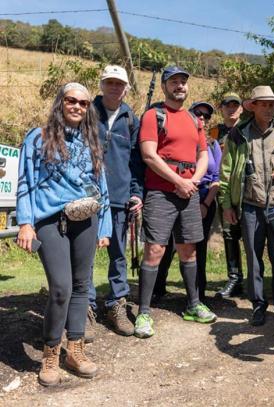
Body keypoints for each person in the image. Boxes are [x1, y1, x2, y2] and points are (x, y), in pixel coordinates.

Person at [16, 82, 112, 386]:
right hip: (49, 221)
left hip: (86, 219)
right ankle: (50, 353)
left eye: (83, 103)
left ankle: (75, 350)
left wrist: (105, 224)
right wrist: (25, 223)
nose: (77, 107)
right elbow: (25, 181)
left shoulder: (91, 140)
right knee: (61, 288)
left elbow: (102, 184)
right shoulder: (38, 137)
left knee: (82, 284)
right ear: (61, 103)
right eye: (71, 101)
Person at [135, 66, 214, 339]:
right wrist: (178, 181)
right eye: (174, 82)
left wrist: (193, 181)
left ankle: (193, 304)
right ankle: (143, 312)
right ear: (165, 87)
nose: (180, 86)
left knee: (188, 250)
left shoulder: (195, 120)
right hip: (160, 192)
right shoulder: (152, 116)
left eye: (183, 81)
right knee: (155, 250)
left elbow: (203, 155)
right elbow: (149, 155)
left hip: (189, 193)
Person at [219, 85, 274, 326]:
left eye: (272, 104)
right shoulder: (238, 135)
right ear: (254, 106)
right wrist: (227, 203)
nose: (269, 109)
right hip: (250, 207)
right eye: (264, 104)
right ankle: (258, 305)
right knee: (254, 259)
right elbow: (226, 172)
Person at [86, 65, 144, 340]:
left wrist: (137, 193)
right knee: (84, 254)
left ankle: (116, 305)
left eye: (119, 83)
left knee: (118, 254)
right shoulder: (86, 112)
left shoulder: (131, 119)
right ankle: (83, 306)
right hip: (87, 197)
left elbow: (136, 162)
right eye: (109, 82)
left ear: (125, 88)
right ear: (102, 85)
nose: (114, 87)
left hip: (120, 198)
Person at [153, 101, 219, 315]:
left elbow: (216, 178)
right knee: (165, 246)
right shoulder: (182, 138)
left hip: (202, 199)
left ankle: (198, 296)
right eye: (197, 113)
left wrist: (205, 204)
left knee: (196, 249)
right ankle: (157, 290)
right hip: (174, 196)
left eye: (206, 116)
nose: (202, 118)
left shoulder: (213, 145)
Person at [210, 92, 246, 299]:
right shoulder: (215, 132)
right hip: (224, 190)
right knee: (229, 235)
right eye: (227, 105)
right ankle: (235, 278)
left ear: (242, 108)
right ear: (221, 108)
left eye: (236, 105)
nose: (232, 108)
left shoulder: (248, 130)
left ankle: (256, 281)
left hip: (246, 190)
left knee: (252, 238)